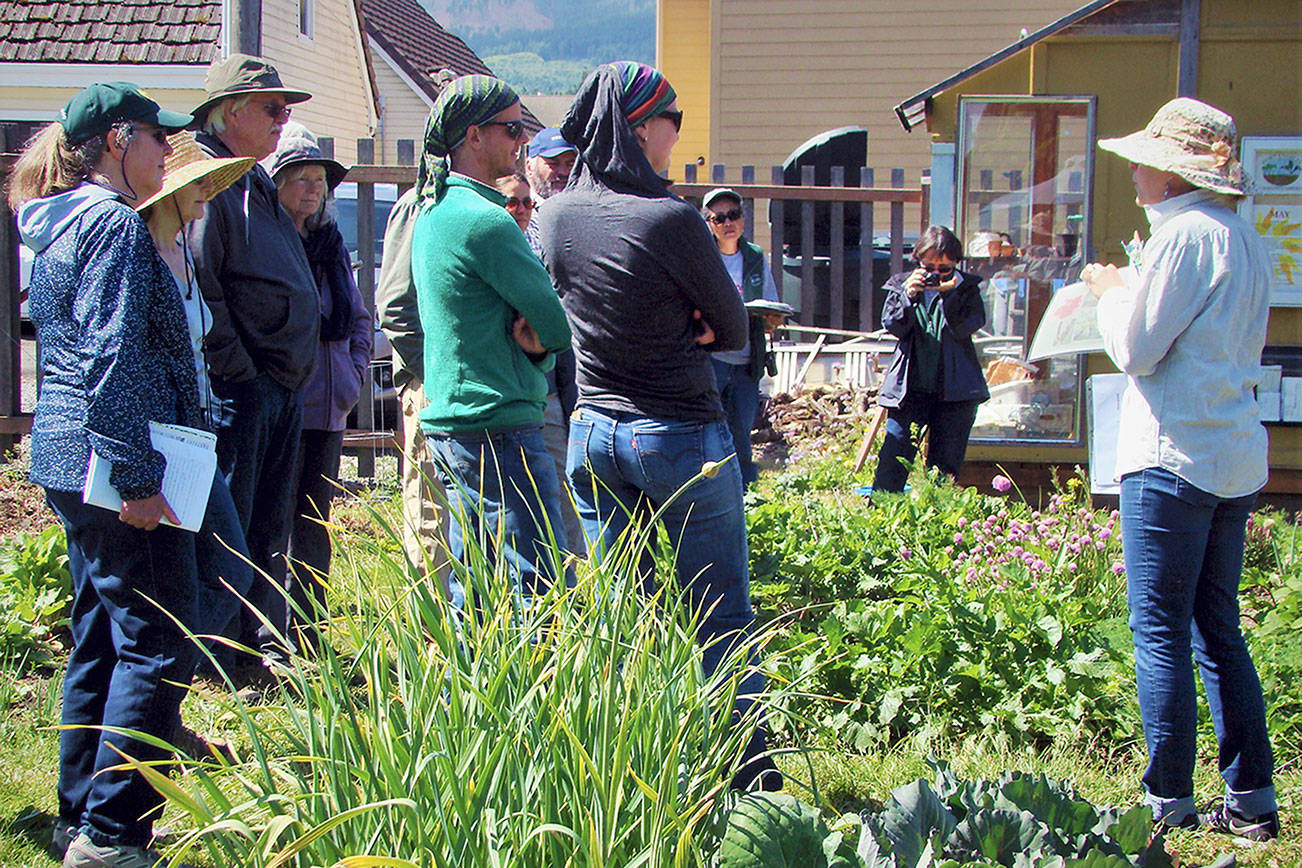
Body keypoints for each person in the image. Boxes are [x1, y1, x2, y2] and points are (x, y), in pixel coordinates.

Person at [538, 61, 778, 791]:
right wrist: (695, 322)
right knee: (720, 615)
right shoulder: (672, 220)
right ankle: (750, 786)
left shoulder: (557, 214)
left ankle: (636, 772)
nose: (679, 134)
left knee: (624, 620)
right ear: (642, 127)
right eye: (672, 119)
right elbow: (735, 327)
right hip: (679, 436)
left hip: (594, 434)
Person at [10, 82, 200, 868]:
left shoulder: (58, 223)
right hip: (111, 465)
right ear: (120, 140)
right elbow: (112, 354)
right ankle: (113, 836)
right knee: (161, 643)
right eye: (160, 138)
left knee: (100, 633)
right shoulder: (115, 227)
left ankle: (76, 814)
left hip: (66, 457)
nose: (169, 154)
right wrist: (136, 477)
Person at [1081, 97, 1278, 841]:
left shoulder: (1184, 236)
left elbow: (1136, 349)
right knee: (1217, 627)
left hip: (1170, 457)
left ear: (1172, 171)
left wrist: (1107, 294)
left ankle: (1169, 801)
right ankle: (1252, 799)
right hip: (1229, 452)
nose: (1135, 172)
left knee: (1159, 629)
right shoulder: (1239, 236)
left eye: (1145, 161)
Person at [412, 75, 572, 604]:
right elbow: (554, 321)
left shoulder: (433, 212)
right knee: (536, 585)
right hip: (501, 426)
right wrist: (539, 351)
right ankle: (537, 688)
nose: (521, 140)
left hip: (455, 427)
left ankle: (473, 686)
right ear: (473, 136)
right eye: (512, 129)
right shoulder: (486, 221)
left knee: (474, 591)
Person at [186, 54, 319, 671]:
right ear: (229, 111)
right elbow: (202, 283)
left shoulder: (252, 177)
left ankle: (262, 641)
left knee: (270, 521)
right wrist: (239, 366)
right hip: (247, 387)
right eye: (271, 108)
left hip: (277, 383)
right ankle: (226, 652)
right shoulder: (210, 179)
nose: (283, 118)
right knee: (235, 525)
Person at [135, 132, 257, 677]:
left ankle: (175, 673)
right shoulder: (140, 253)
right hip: (159, 442)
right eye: (197, 181)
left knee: (229, 566)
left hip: (193, 436)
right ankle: (170, 677)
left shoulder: (185, 246)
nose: (209, 190)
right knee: (211, 568)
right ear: (170, 189)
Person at [263, 122, 372, 649]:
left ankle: (309, 631)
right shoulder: (267, 240)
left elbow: (358, 317)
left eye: (318, 181)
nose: (311, 190)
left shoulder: (330, 244)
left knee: (314, 522)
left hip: (328, 407)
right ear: (275, 183)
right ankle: (268, 634)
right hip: (284, 403)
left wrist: (351, 376)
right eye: (299, 178)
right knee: (274, 522)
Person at [871, 226, 989, 494]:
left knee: (945, 466)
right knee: (894, 455)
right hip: (910, 390)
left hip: (956, 393)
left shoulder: (968, 289)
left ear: (957, 264)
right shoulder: (902, 284)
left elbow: (964, 327)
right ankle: (881, 518)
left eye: (944, 268)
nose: (935, 275)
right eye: (929, 268)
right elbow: (893, 325)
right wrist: (907, 296)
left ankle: (937, 522)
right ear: (918, 263)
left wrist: (951, 294)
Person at [702, 187, 784, 487]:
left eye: (733, 215)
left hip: (747, 360)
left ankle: (744, 496)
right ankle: (709, 496)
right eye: (719, 218)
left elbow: (770, 303)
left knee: (741, 436)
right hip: (710, 360)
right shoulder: (702, 257)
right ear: (710, 223)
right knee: (709, 434)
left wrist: (772, 318)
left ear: (743, 219)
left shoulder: (755, 256)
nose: (727, 223)